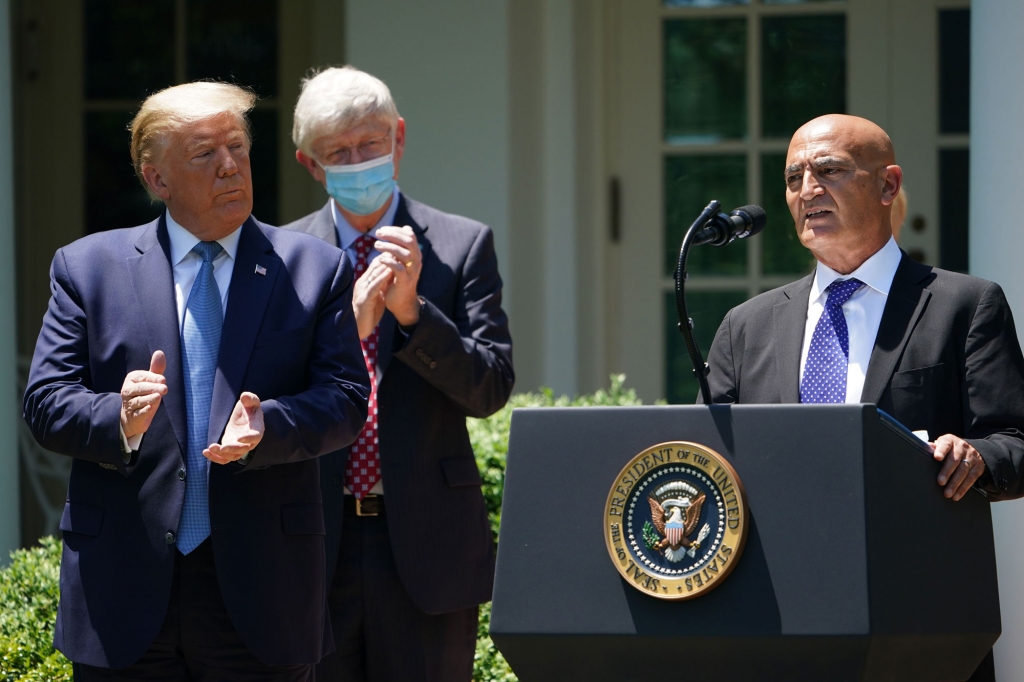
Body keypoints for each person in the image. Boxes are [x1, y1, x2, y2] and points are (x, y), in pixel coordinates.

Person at [23, 82, 370, 681]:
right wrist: (118, 419)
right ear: (156, 179)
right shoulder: (88, 268)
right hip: (124, 589)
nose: (230, 165)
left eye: (237, 147)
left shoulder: (314, 267)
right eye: (205, 153)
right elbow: (46, 402)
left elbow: (345, 398)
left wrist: (269, 426)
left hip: (263, 591)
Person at [704, 114, 1024, 680]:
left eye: (828, 170)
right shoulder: (746, 326)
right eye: (794, 177)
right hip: (775, 617)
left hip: (917, 621)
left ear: (888, 186)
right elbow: (710, 461)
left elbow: (1015, 443)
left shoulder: (964, 305)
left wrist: (975, 456)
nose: (808, 189)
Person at [281, 66, 515, 681]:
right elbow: (262, 396)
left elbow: (490, 387)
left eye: (371, 143)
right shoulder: (282, 257)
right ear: (310, 164)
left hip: (427, 545)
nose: (359, 162)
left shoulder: (461, 245)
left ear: (399, 138)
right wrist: (348, 330)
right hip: (315, 542)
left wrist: (414, 315)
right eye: (339, 153)